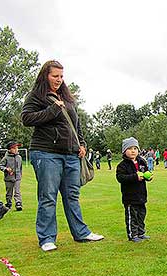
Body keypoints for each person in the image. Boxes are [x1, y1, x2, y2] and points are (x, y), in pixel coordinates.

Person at [21, 60, 104, 252]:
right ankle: (47, 238)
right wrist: (52, 110)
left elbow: (76, 124)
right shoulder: (36, 96)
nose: (59, 80)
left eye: (61, 76)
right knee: (48, 196)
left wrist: (81, 144)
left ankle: (81, 233)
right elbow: (26, 119)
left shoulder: (67, 98)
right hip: (46, 153)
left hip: (71, 154)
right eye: (55, 76)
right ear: (45, 75)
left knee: (72, 196)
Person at [116, 137, 151, 242]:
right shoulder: (122, 165)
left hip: (141, 195)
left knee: (141, 215)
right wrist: (135, 177)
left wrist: (148, 177)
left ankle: (141, 232)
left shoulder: (142, 162)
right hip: (130, 197)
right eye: (130, 148)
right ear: (124, 151)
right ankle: (133, 235)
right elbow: (120, 178)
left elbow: (146, 172)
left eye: (135, 148)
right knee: (132, 216)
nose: (133, 151)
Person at [0, 141, 23, 211]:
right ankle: (9, 203)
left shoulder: (19, 157)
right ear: (9, 149)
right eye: (14, 148)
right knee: (9, 193)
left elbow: (20, 168)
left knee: (17, 191)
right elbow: (0, 165)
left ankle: (18, 203)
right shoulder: (5, 158)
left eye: (17, 148)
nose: (16, 149)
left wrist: (20, 175)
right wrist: (6, 169)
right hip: (8, 178)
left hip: (17, 178)